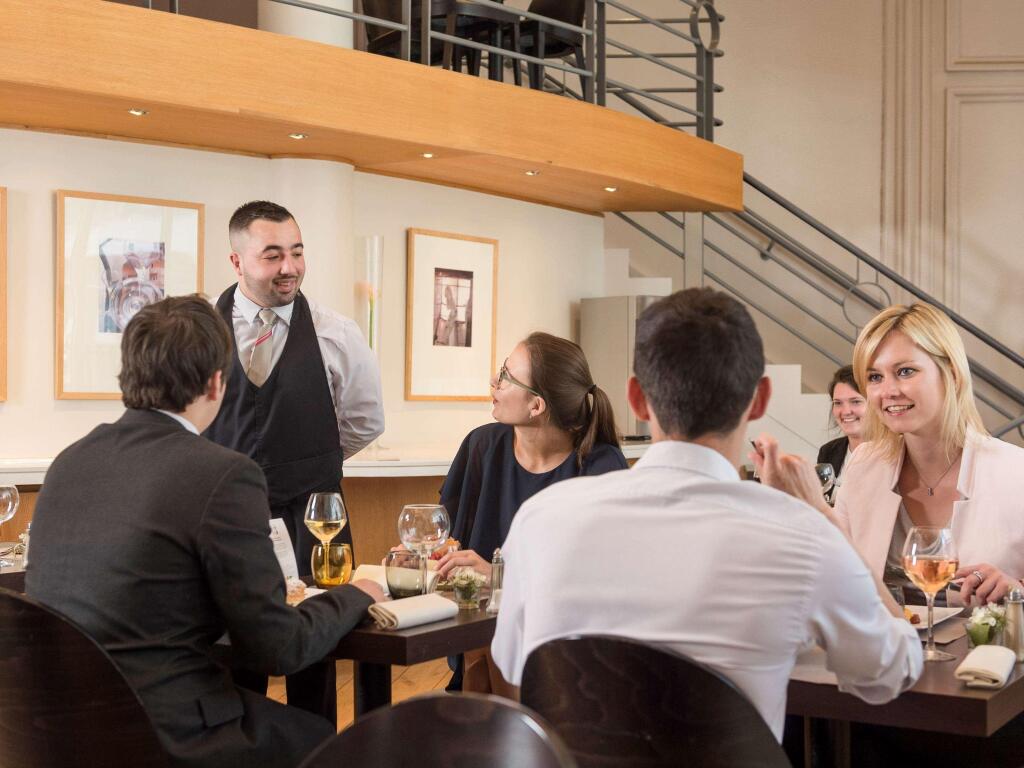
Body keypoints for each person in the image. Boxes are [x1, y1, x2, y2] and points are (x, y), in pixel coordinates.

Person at [491, 288, 923, 740]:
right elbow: (893, 670)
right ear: (760, 399)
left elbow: (513, 664)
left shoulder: (540, 521)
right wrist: (826, 522)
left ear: (636, 399)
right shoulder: (803, 538)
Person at [26, 296, 384, 768]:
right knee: (326, 740)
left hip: (52, 730)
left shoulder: (69, 462)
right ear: (218, 382)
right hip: (166, 734)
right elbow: (279, 646)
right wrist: (358, 593)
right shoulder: (222, 474)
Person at [203, 201, 384, 720]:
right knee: (228, 653)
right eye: (273, 255)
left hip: (315, 517)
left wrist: (307, 463)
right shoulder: (200, 330)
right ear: (237, 262)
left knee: (317, 652)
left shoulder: (336, 332)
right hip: (225, 516)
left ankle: (317, 748)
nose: (290, 267)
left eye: (297, 253)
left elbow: (365, 420)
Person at [435, 332, 627, 692]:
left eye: (506, 376)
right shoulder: (481, 445)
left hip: (566, 666)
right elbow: (445, 535)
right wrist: (424, 555)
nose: (494, 381)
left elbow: (599, 588)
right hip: (479, 648)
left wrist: (500, 577)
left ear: (536, 406)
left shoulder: (600, 467)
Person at [834, 302, 1024, 605]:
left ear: (952, 374)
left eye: (905, 371)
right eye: (874, 377)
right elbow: (832, 572)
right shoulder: (864, 464)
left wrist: (1018, 589)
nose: (888, 391)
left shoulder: (1016, 471)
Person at [817, 364, 867, 479]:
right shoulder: (828, 451)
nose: (846, 411)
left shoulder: (896, 452)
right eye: (838, 403)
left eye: (855, 402)